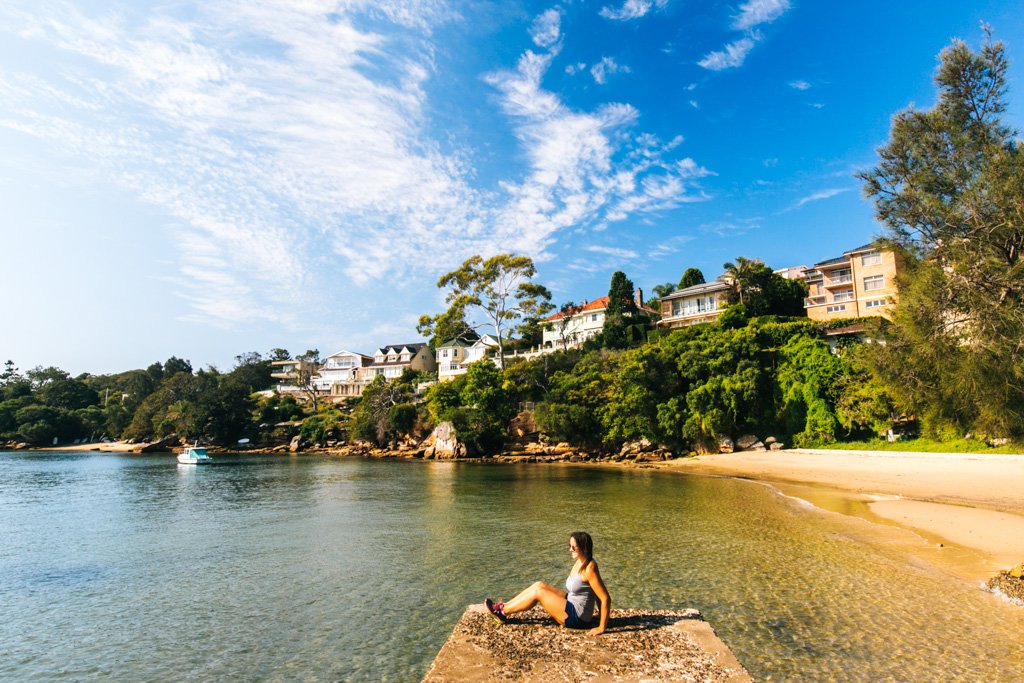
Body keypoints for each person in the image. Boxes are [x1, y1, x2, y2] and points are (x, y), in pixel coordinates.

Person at [484, 531, 611, 635]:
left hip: (577, 617)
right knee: (539, 585)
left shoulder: (590, 568)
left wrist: (602, 626)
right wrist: (599, 616)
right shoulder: (579, 562)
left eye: (574, 547)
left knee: (539, 593)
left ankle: (503, 613)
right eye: (569, 546)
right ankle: (503, 606)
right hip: (572, 602)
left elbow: (604, 598)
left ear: (583, 548)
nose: (570, 550)